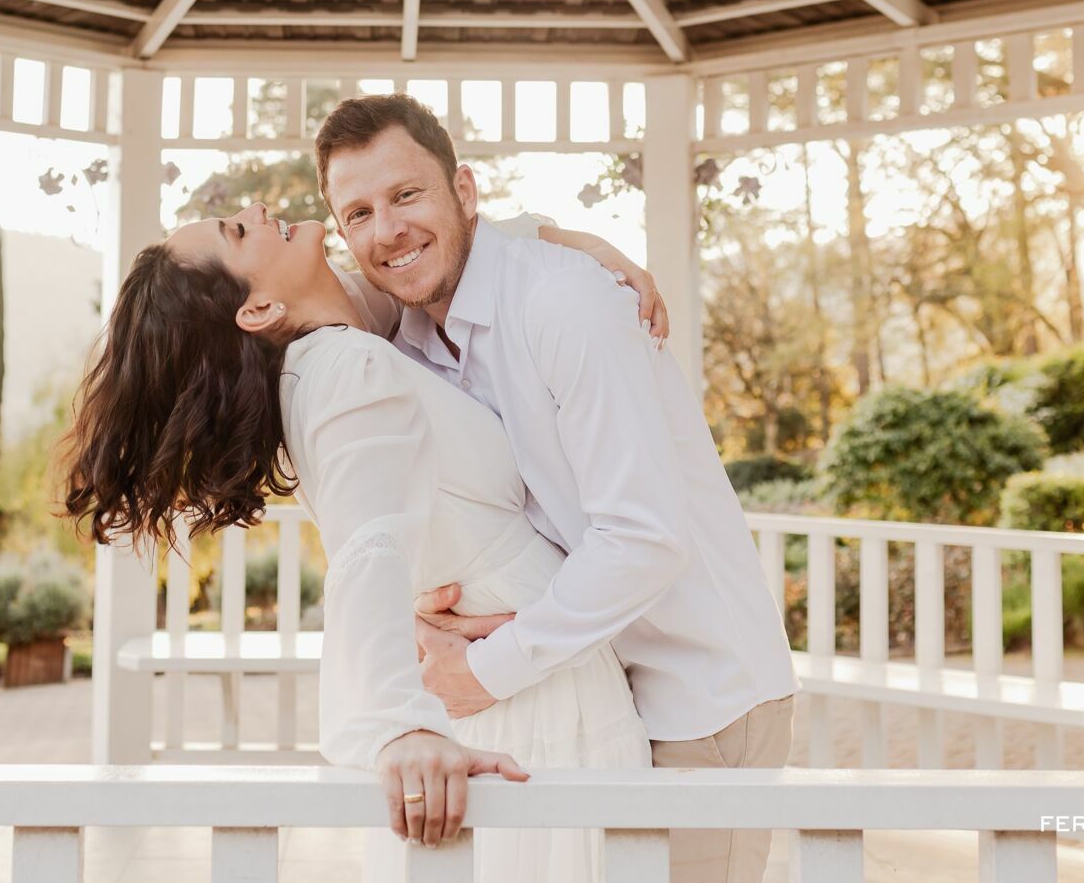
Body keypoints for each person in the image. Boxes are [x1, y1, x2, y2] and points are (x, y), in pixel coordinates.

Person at [58, 202, 661, 881]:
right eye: (238, 232)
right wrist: (398, 724)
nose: (257, 209)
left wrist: (578, 244)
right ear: (258, 311)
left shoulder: (336, 344)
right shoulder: (346, 369)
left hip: (520, 670)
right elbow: (369, 551)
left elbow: (460, 251)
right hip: (530, 704)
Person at [314, 94, 799, 883]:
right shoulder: (408, 332)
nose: (387, 231)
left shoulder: (565, 303)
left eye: (407, 194)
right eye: (359, 213)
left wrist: (482, 671)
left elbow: (641, 539)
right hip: (588, 696)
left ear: (464, 190)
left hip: (695, 697)